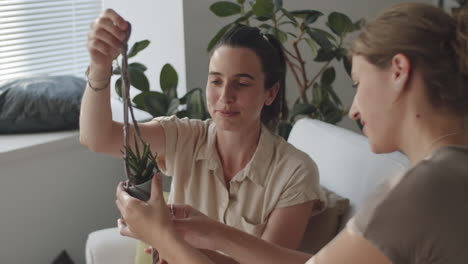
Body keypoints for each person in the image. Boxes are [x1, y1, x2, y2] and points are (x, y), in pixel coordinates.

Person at [115, 2, 468, 263]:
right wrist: (213, 232)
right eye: (216, 81)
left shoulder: (417, 192)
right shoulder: (450, 175)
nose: (353, 108)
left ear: (398, 71)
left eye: (358, 83)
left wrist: (160, 234)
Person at [81, 9, 326, 262]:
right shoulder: (184, 136)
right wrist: (100, 67)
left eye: (241, 84)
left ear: (270, 93)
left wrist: (167, 241)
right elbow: (99, 138)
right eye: (216, 81)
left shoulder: (295, 172)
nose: (225, 97)